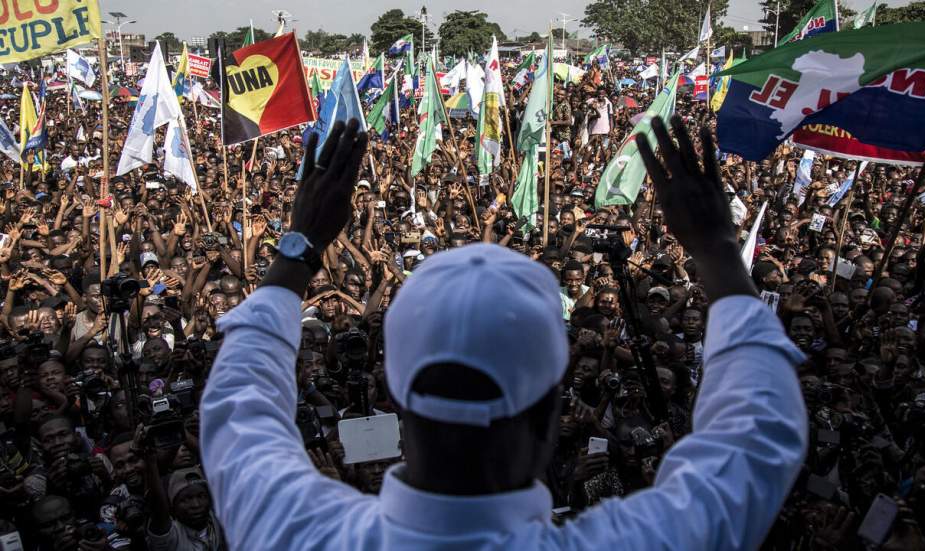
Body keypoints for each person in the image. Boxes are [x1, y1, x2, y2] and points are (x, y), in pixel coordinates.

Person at [200, 117, 808, 549]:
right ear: (550, 415)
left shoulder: (298, 532)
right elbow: (758, 436)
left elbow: (240, 405)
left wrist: (299, 248)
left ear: (392, 400)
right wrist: (720, 251)